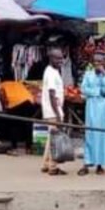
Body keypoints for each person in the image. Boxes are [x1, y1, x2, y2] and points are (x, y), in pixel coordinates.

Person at [79, 53, 105, 176]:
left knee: (102, 136)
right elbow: (84, 89)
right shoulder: (88, 75)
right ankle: (86, 163)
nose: (97, 64)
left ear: (104, 62)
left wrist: (103, 75)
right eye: (95, 61)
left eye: (99, 61)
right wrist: (97, 92)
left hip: (104, 112)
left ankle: (100, 165)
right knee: (90, 134)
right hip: (91, 110)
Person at [41, 47, 66, 176]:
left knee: (51, 137)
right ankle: (53, 167)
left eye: (61, 58)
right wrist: (57, 114)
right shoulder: (50, 73)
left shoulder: (54, 71)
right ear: (51, 58)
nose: (60, 61)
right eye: (57, 58)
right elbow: (51, 94)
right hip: (52, 110)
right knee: (55, 138)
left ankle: (45, 164)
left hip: (53, 109)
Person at [0, 76, 36, 157]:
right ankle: (29, 147)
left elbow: (2, 96)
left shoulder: (1, 85)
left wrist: (4, 108)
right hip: (29, 102)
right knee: (28, 124)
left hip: (15, 104)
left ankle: (14, 148)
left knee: (13, 125)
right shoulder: (18, 83)